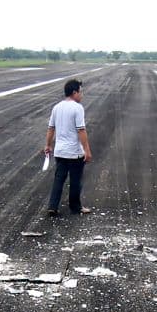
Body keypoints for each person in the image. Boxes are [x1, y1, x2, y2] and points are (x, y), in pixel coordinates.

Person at [43, 78, 92, 216]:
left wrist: (47, 145)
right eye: (80, 92)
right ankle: (75, 207)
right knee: (75, 180)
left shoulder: (57, 107)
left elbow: (51, 128)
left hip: (60, 151)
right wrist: (87, 150)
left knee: (59, 179)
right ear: (74, 92)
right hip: (74, 152)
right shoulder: (77, 108)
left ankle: (52, 206)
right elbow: (81, 130)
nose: (81, 95)